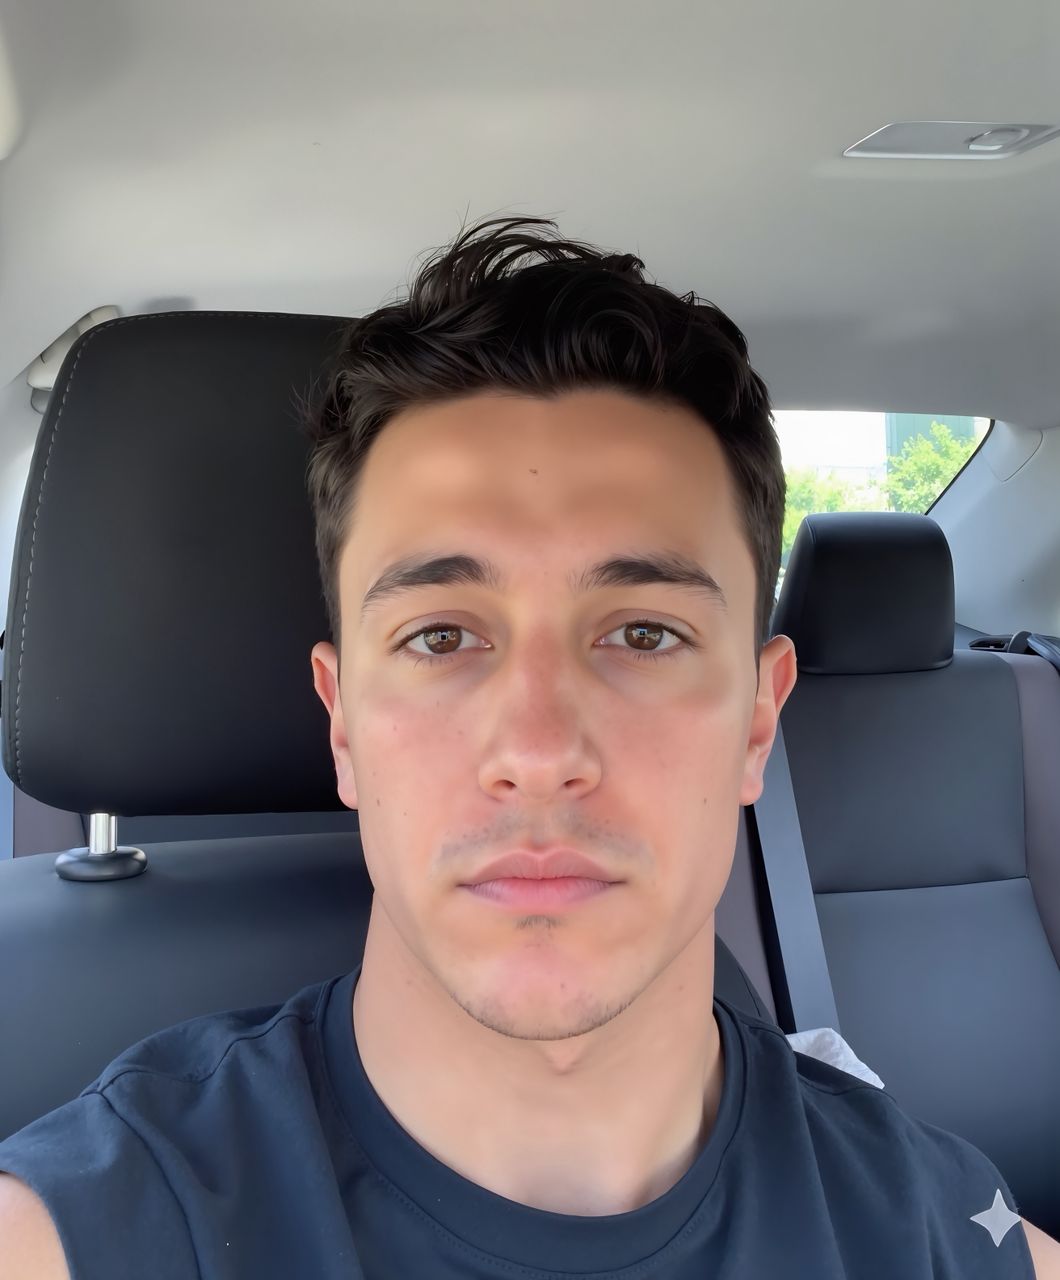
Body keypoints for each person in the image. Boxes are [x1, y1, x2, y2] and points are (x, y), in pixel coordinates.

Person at [1, 215, 1058, 1279]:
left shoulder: (938, 1224)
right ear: (343, 723)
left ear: (755, 718)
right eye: (440, 636)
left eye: (643, 635)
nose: (540, 750)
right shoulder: (86, 1229)